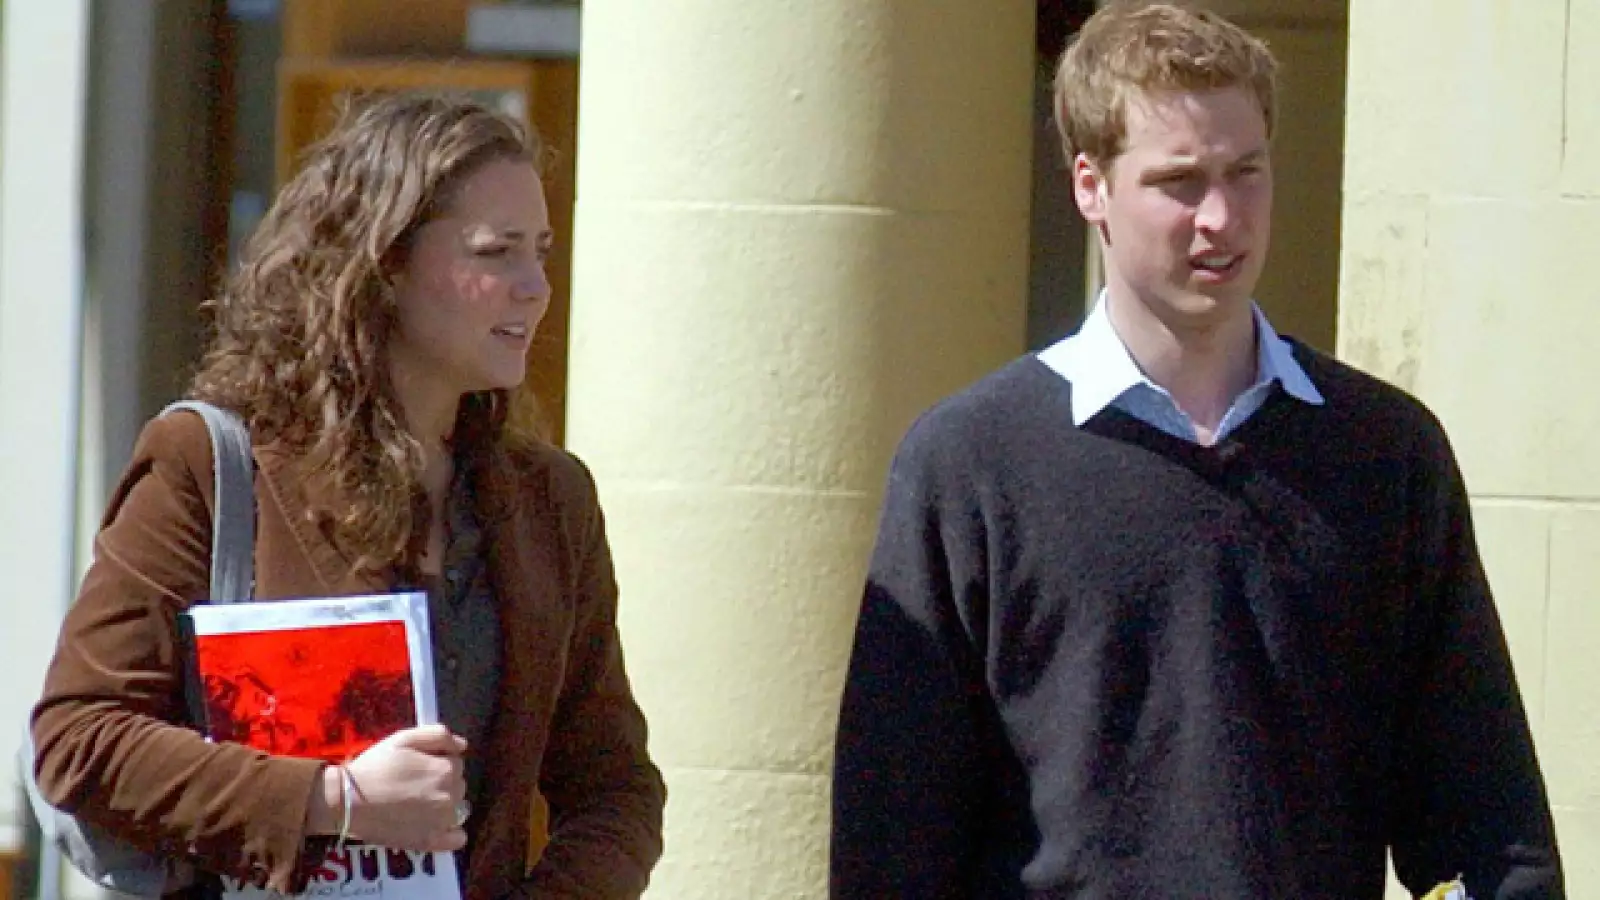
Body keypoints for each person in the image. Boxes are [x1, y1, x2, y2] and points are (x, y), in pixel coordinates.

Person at [829, 3, 1563, 898]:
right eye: (1180, 181)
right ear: (1090, 185)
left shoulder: (1385, 454)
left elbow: (1486, 819)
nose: (1221, 217)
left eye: (1245, 173)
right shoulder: (970, 464)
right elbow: (892, 837)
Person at [30, 93, 664, 900]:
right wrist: (337, 801)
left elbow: (618, 790)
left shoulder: (552, 501)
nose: (535, 286)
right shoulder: (212, 463)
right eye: (496, 252)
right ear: (386, 264)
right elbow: (80, 740)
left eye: (539, 251)